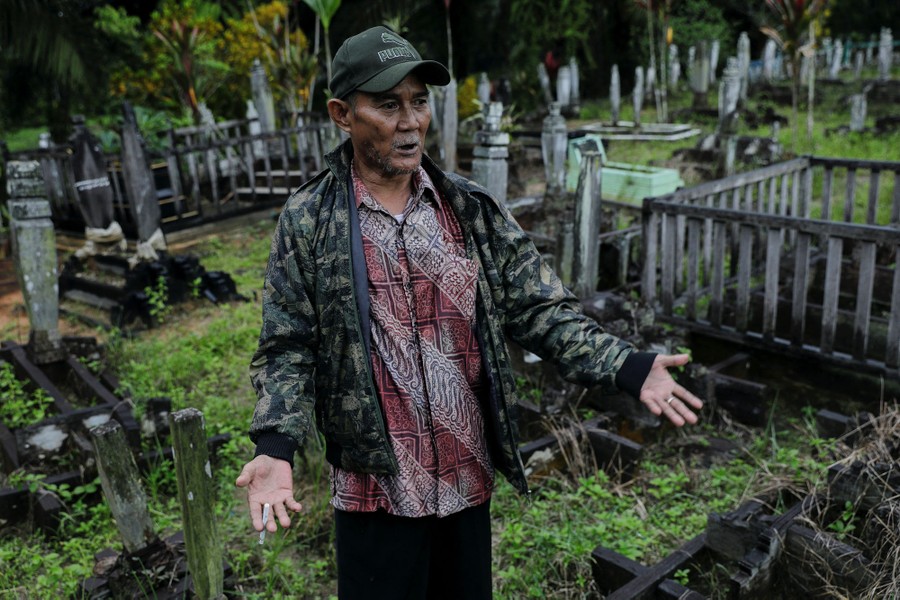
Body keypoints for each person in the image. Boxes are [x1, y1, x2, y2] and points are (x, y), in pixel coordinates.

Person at [236, 25, 703, 600]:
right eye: (387, 105)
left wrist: (628, 366)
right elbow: (288, 345)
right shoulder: (311, 220)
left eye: (419, 101)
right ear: (341, 113)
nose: (410, 122)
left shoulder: (469, 209)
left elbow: (540, 308)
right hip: (376, 489)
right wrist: (274, 447)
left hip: (464, 479)